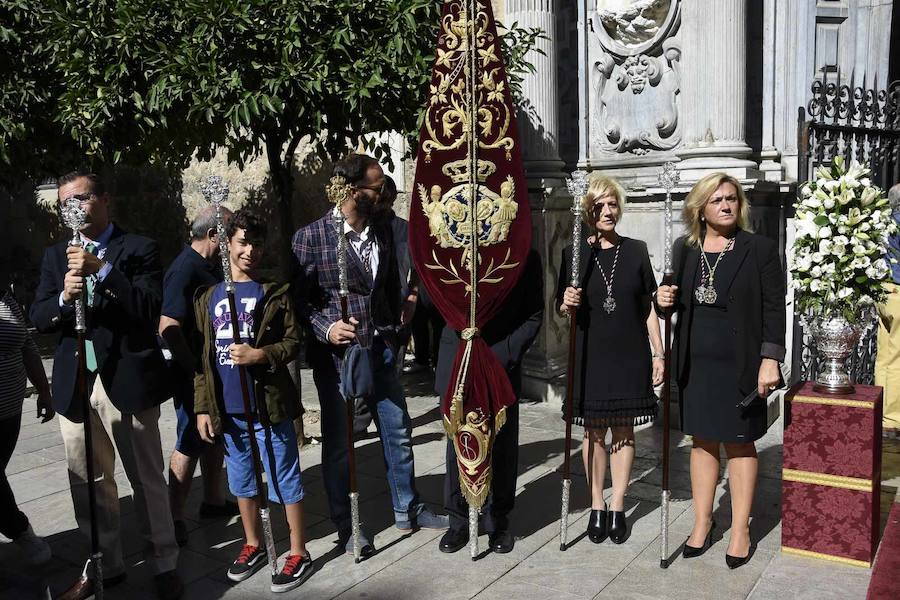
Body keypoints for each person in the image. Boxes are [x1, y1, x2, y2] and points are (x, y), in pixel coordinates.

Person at [29, 171, 182, 600]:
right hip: (75, 381)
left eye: (79, 199)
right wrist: (62, 297)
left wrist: (105, 271)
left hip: (125, 380)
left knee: (146, 477)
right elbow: (39, 317)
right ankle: (105, 562)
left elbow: (149, 306)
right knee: (89, 479)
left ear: (103, 199)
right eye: (64, 204)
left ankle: (164, 561)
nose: (72, 210)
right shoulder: (55, 256)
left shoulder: (139, 248)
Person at [292, 154, 448, 558]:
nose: (383, 193)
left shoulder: (382, 231)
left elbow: (398, 276)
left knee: (397, 429)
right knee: (342, 443)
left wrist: (407, 303)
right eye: (376, 187)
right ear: (350, 189)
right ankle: (348, 525)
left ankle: (407, 508)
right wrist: (326, 327)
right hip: (338, 360)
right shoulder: (311, 237)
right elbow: (299, 302)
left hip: (381, 349)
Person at [656, 172, 785, 570]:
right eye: (717, 200)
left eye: (731, 198)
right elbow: (670, 302)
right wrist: (662, 300)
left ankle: (741, 530)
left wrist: (770, 358)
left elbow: (773, 308)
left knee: (741, 442)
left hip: (741, 364)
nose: (727, 205)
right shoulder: (685, 249)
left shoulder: (758, 249)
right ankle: (702, 522)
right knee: (702, 441)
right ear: (701, 209)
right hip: (697, 363)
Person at [193, 209, 312, 592]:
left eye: (257, 244)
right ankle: (252, 543)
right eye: (243, 242)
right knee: (242, 480)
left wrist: (262, 355)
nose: (250, 251)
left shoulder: (273, 294)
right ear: (226, 243)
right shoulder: (210, 297)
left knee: (283, 477)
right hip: (228, 408)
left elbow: (294, 342)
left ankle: (297, 550)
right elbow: (203, 359)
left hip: (268, 405)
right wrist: (202, 407)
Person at [556, 175, 663, 545]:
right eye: (599, 205)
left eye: (612, 204)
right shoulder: (575, 254)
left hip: (629, 353)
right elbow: (562, 305)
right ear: (587, 210)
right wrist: (566, 303)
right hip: (591, 354)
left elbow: (648, 307)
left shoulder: (635, 250)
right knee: (593, 431)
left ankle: (618, 503)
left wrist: (658, 352)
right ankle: (596, 503)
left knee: (624, 429)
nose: (607, 211)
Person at [436, 249, 544, 555]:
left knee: (502, 441)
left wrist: (502, 354)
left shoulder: (524, 253)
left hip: (500, 359)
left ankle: (498, 520)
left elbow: (533, 313)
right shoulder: (449, 249)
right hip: (458, 355)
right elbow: (434, 304)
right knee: (459, 441)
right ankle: (458, 521)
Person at [159, 206, 238, 547]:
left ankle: (212, 500)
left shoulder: (208, 267)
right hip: (193, 372)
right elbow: (168, 327)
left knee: (212, 433)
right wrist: (193, 367)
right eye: (230, 235)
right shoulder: (184, 270)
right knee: (190, 438)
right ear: (213, 236)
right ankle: (172, 516)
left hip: (212, 368)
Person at [0, 257, 54, 566]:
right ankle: (19, 530)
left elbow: (26, 346)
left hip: (9, 410)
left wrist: (44, 391)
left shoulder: (7, 299)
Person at [875, 182, 900, 436]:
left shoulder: (885, 222)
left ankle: (882, 411)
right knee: (897, 358)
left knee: (885, 356)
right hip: (899, 290)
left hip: (884, 291)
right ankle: (893, 419)